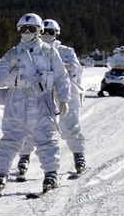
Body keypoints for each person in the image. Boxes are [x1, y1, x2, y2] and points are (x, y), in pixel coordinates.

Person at [0, 13, 72, 195]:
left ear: (39, 31)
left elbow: (60, 77)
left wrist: (64, 99)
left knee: (47, 140)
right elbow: (2, 71)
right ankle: (1, 174)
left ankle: (51, 174)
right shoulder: (13, 53)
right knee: (9, 139)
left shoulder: (50, 52)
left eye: (31, 29)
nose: (27, 32)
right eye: (23, 29)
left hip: (42, 101)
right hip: (17, 102)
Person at [15, 19, 87, 178]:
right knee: (31, 125)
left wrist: (62, 66)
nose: (47, 34)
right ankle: (24, 156)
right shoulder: (34, 49)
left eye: (51, 32)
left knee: (70, 125)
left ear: (56, 34)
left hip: (63, 93)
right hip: (41, 93)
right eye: (45, 31)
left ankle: (78, 155)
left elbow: (77, 70)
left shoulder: (66, 51)